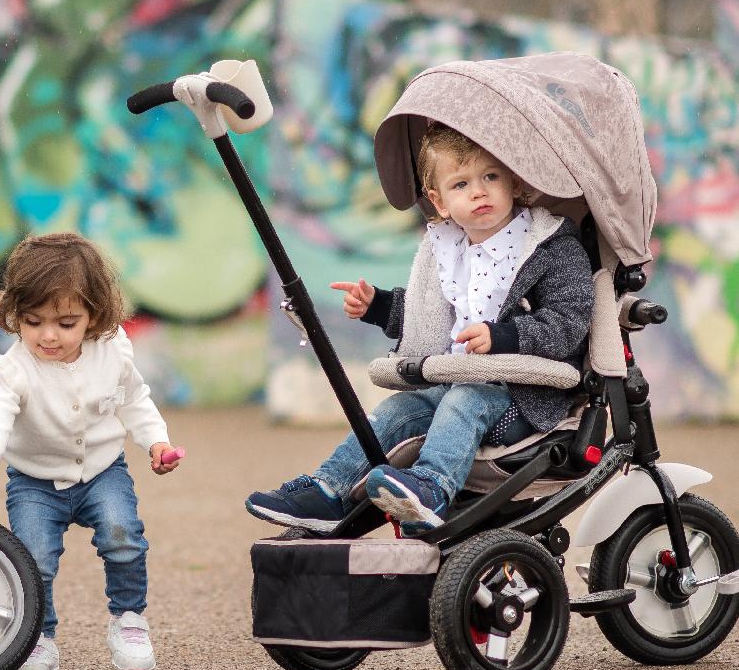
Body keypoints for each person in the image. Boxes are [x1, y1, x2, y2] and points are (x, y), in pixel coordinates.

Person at [246, 125, 593, 533]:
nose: (479, 192)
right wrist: (377, 305)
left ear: (514, 182)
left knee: (467, 397)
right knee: (398, 411)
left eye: (491, 177)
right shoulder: (446, 250)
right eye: (461, 184)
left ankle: (432, 487)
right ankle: (328, 490)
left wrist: (502, 336)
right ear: (439, 201)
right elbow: (427, 315)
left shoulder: (550, 245)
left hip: (522, 394)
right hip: (451, 382)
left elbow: (570, 322)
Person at [0, 233, 183, 670]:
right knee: (34, 561)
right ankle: (37, 640)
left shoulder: (113, 351)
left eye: (66, 323)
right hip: (35, 482)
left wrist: (157, 443)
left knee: (123, 537)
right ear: (15, 315)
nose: (48, 336)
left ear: (94, 316)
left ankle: (129, 621)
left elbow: (135, 400)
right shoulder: (13, 370)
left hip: (103, 470)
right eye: (33, 322)